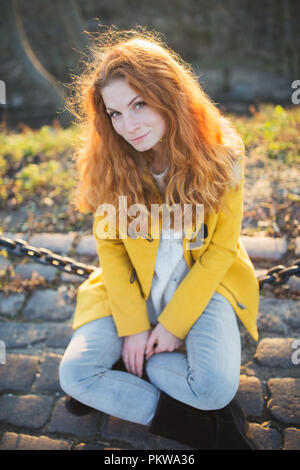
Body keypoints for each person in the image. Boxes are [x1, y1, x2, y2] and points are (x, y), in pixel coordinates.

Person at [59, 26, 260, 450]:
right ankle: (204, 428)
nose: (127, 125)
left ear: (168, 94)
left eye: (139, 104)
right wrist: (133, 326)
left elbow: (220, 249)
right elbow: (112, 250)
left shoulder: (223, 155)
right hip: (132, 286)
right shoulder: (110, 160)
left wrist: (173, 325)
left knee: (214, 386)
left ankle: (124, 375)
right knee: (74, 375)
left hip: (204, 285)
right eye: (114, 113)